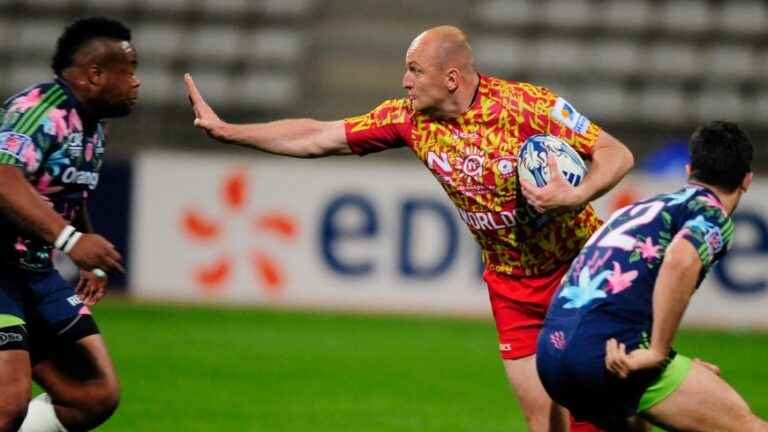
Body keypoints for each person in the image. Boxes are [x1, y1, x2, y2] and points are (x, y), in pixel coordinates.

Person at [186, 25, 633, 432]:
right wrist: (230, 131)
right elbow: (319, 135)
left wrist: (574, 196)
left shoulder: (528, 106)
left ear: (451, 78)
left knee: (597, 410)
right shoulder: (408, 119)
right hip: (512, 286)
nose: (405, 82)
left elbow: (616, 153)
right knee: (543, 421)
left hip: (578, 269)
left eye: (415, 71)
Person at [536, 121, 766, 431]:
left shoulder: (639, 209)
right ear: (747, 180)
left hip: (552, 352)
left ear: (688, 170)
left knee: (635, 415)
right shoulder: (711, 214)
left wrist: (673, 362)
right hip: (605, 354)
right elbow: (680, 261)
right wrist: (658, 353)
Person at [0, 17, 138, 432]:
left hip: (33, 273)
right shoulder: (38, 111)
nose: (137, 82)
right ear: (95, 74)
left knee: (95, 396)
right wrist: (70, 240)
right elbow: (3, 177)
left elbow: (66, 196)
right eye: (129, 71)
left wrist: (88, 258)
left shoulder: (94, 127)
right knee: (8, 403)